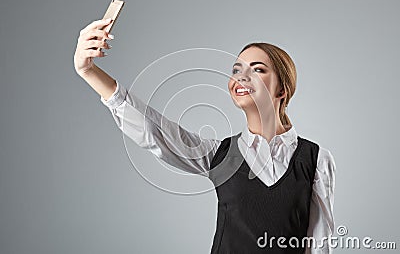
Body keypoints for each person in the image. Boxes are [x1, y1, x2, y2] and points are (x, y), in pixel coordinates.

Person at [74, 18, 336, 254]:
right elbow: (154, 131)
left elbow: (319, 245)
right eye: (236, 71)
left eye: (257, 69)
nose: (241, 77)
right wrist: (89, 71)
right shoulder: (219, 155)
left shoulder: (315, 160)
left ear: (282, 90)